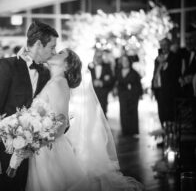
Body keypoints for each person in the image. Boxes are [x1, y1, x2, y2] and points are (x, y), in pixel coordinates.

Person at [25, 48, 143, 191]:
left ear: (67, 65)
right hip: (44, 148)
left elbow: (61, 124)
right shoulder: (53, 81)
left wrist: (36, 142)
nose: (55, 52)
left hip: (48, 148)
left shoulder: (59, 83)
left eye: (61, 53)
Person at [0, 21, 58, 191]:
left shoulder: (45, 72)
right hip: (3, 150)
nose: (54, 52)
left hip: (31, 152)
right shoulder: (5, 66)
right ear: (38, 44)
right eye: (52, 47)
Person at [116, 55, 143, 136]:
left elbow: (138, 86)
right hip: (123, 96)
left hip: (132, 96)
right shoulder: (118, 71)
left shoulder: (134, 73)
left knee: (132, 113)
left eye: (126, 61)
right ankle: (125, 130)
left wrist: (136, 93)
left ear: (129, 62)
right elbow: (117, 83)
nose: (125, 62)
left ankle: (133, 131)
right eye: (123, 61)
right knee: (123, 113)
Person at [88, 50, 114, 117]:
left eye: (100, 56)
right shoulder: (90, 66)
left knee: (103, 113)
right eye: (97, 56)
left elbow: (112, 80)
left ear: (102, 57)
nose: (98, 58)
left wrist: (102, 83)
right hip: (93, 93)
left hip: (103, 93)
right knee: (92, 112)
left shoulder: (107, 66)